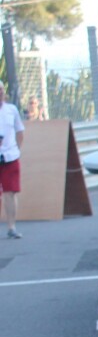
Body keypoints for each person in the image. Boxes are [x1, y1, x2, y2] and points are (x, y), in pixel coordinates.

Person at [0, 83, 25, 240]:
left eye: (1, 90)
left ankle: (11, 226)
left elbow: (19, 131)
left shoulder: (12, 110)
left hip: (10, 156)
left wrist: (17, 149)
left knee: (11, 192)